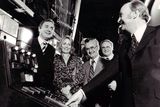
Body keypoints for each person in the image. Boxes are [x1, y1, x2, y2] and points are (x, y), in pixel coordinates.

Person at [66, 1, 160, 107]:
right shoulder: (125, 44)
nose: (118, 20)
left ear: (134, 14)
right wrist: (82, 93)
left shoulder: (158, 33)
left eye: (121, 15)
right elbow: (109, 71)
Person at [53, 36, 85, 103]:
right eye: (64, 43)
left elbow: (81, 76)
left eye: (69, 44)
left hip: (73, 93)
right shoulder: (55, 59)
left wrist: (69, 87)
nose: (66, 46)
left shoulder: (77, 59)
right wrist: (63, 89)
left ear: (71, 47)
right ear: (61, 45)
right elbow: (54, 76)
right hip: (59, 93)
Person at [30, 18, 56, 90]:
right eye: (46, 26)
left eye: (51, 28)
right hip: (27, 86)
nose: (49, 30)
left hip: (42, 89)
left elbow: (49, 73)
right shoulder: (29, 42)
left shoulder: (52, 50)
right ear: (39, 29)